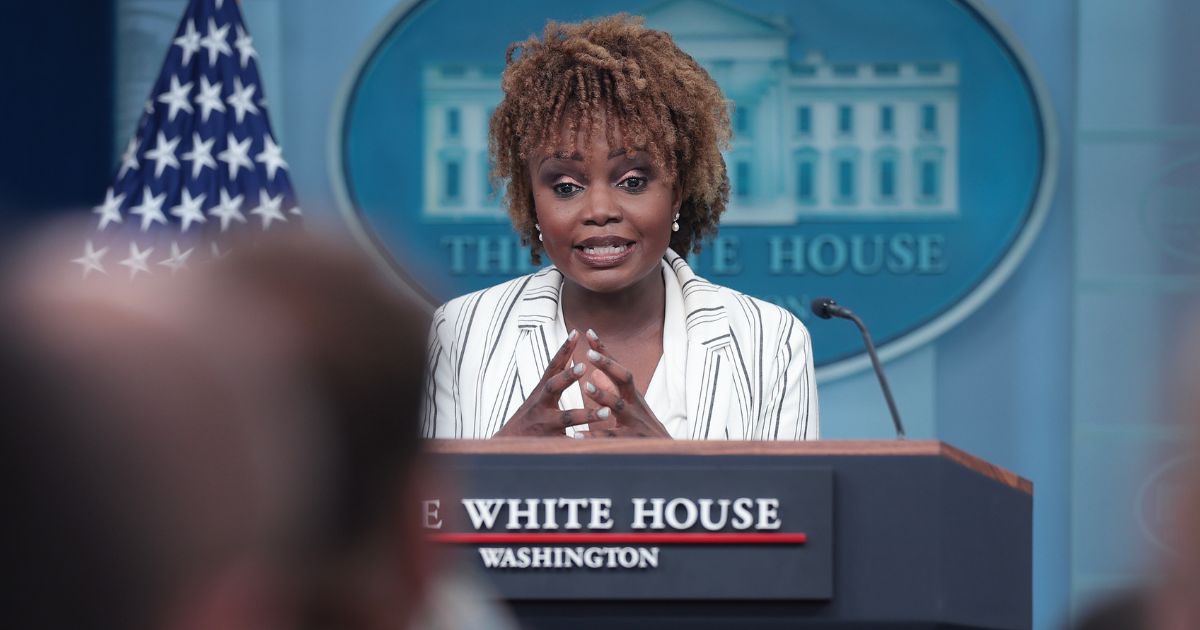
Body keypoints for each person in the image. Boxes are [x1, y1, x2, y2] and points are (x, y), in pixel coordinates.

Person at [423, 15, 819, 440]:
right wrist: (496, 462)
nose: (599, 210)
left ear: (678, 191)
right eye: (566, 186)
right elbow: (422, 507)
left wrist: (670, 469)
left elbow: (792, 507)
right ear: (532, 200)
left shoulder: (769, 341)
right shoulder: (460, 334)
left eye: (632, 181)